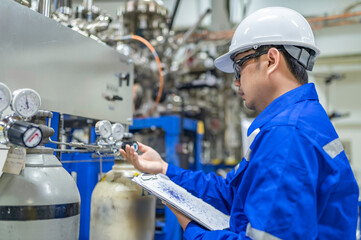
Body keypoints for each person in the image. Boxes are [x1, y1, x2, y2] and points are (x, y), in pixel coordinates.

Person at [120, 7, 359, 240]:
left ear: (271, 60)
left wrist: (192, 228)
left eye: (239, 66)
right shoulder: (297, 120)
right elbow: (233, 193)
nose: (236, 82)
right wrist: (164, 169)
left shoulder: (287, 134)